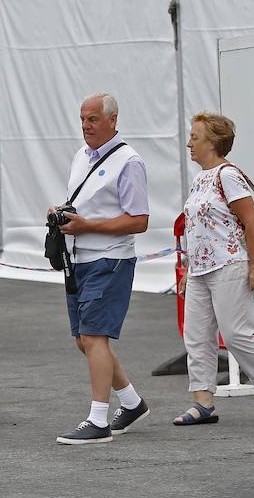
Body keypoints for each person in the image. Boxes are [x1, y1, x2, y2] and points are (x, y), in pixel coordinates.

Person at [175, 113, 254, 424]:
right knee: (197, 335)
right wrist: (189, 265)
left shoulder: (227, 175)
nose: (189, 142)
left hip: (229, 263)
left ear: (213, 143)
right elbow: (196, 226)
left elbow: (252, 220)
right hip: (201, 268)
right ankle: (202, 401)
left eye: (195, 137)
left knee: (236, 332)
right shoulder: (200, 178)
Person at [51, 92, 150, 446]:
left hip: (110, 259)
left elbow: (139, 221)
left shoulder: (129, 161)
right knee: (85, 340)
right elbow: (88, 204)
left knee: (94, 338)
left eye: (93, 119)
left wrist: (87, 226)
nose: (85, 126)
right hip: (78, 258)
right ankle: (132, 403)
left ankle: (98, 420)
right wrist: (63, 212)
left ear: (113, 120)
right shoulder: (81, 156)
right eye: (82, 119)